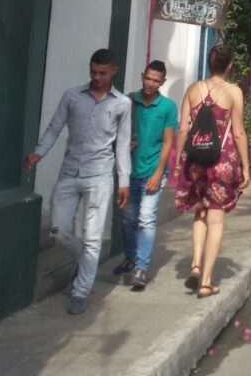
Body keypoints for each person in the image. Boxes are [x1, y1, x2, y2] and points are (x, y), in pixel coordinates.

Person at [22, 49, 131, 315]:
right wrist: (39, 151)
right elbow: (54, 127)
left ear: (113, 71)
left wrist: (124, 181)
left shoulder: (122, 104)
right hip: (69, 173)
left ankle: (80, 291)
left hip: (100, 177)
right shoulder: (72, 96)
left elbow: (123, 143)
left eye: (102, 73)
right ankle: (85, 262)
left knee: (93, 238)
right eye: (93, 71)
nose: (96, 77)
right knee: (59, 230)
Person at [174, 45, 250, 299]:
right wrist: (246, 166)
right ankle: (206, 281)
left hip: (195, 160)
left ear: (208, 63)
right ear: (229, 65)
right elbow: (238, 132)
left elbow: (183, 129)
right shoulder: (233, 92)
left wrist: (178, 160)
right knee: (216, 218)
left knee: (200, 211)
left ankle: (195, 264)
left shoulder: (193, 89)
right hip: (221, 161)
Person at [113, 60, 177, 291]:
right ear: (142, 76)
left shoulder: (168, 107)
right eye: (148, 78)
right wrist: (122, 142)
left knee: (146, 219)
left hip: (153, 171)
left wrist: (159, 173)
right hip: (128, 172)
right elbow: (115, 132)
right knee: (128, 219)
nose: (150, 83)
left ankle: (141, 267)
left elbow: (169, 141)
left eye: (156, 80)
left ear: (163, 82)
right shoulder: (128, 101)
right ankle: (130, 257)